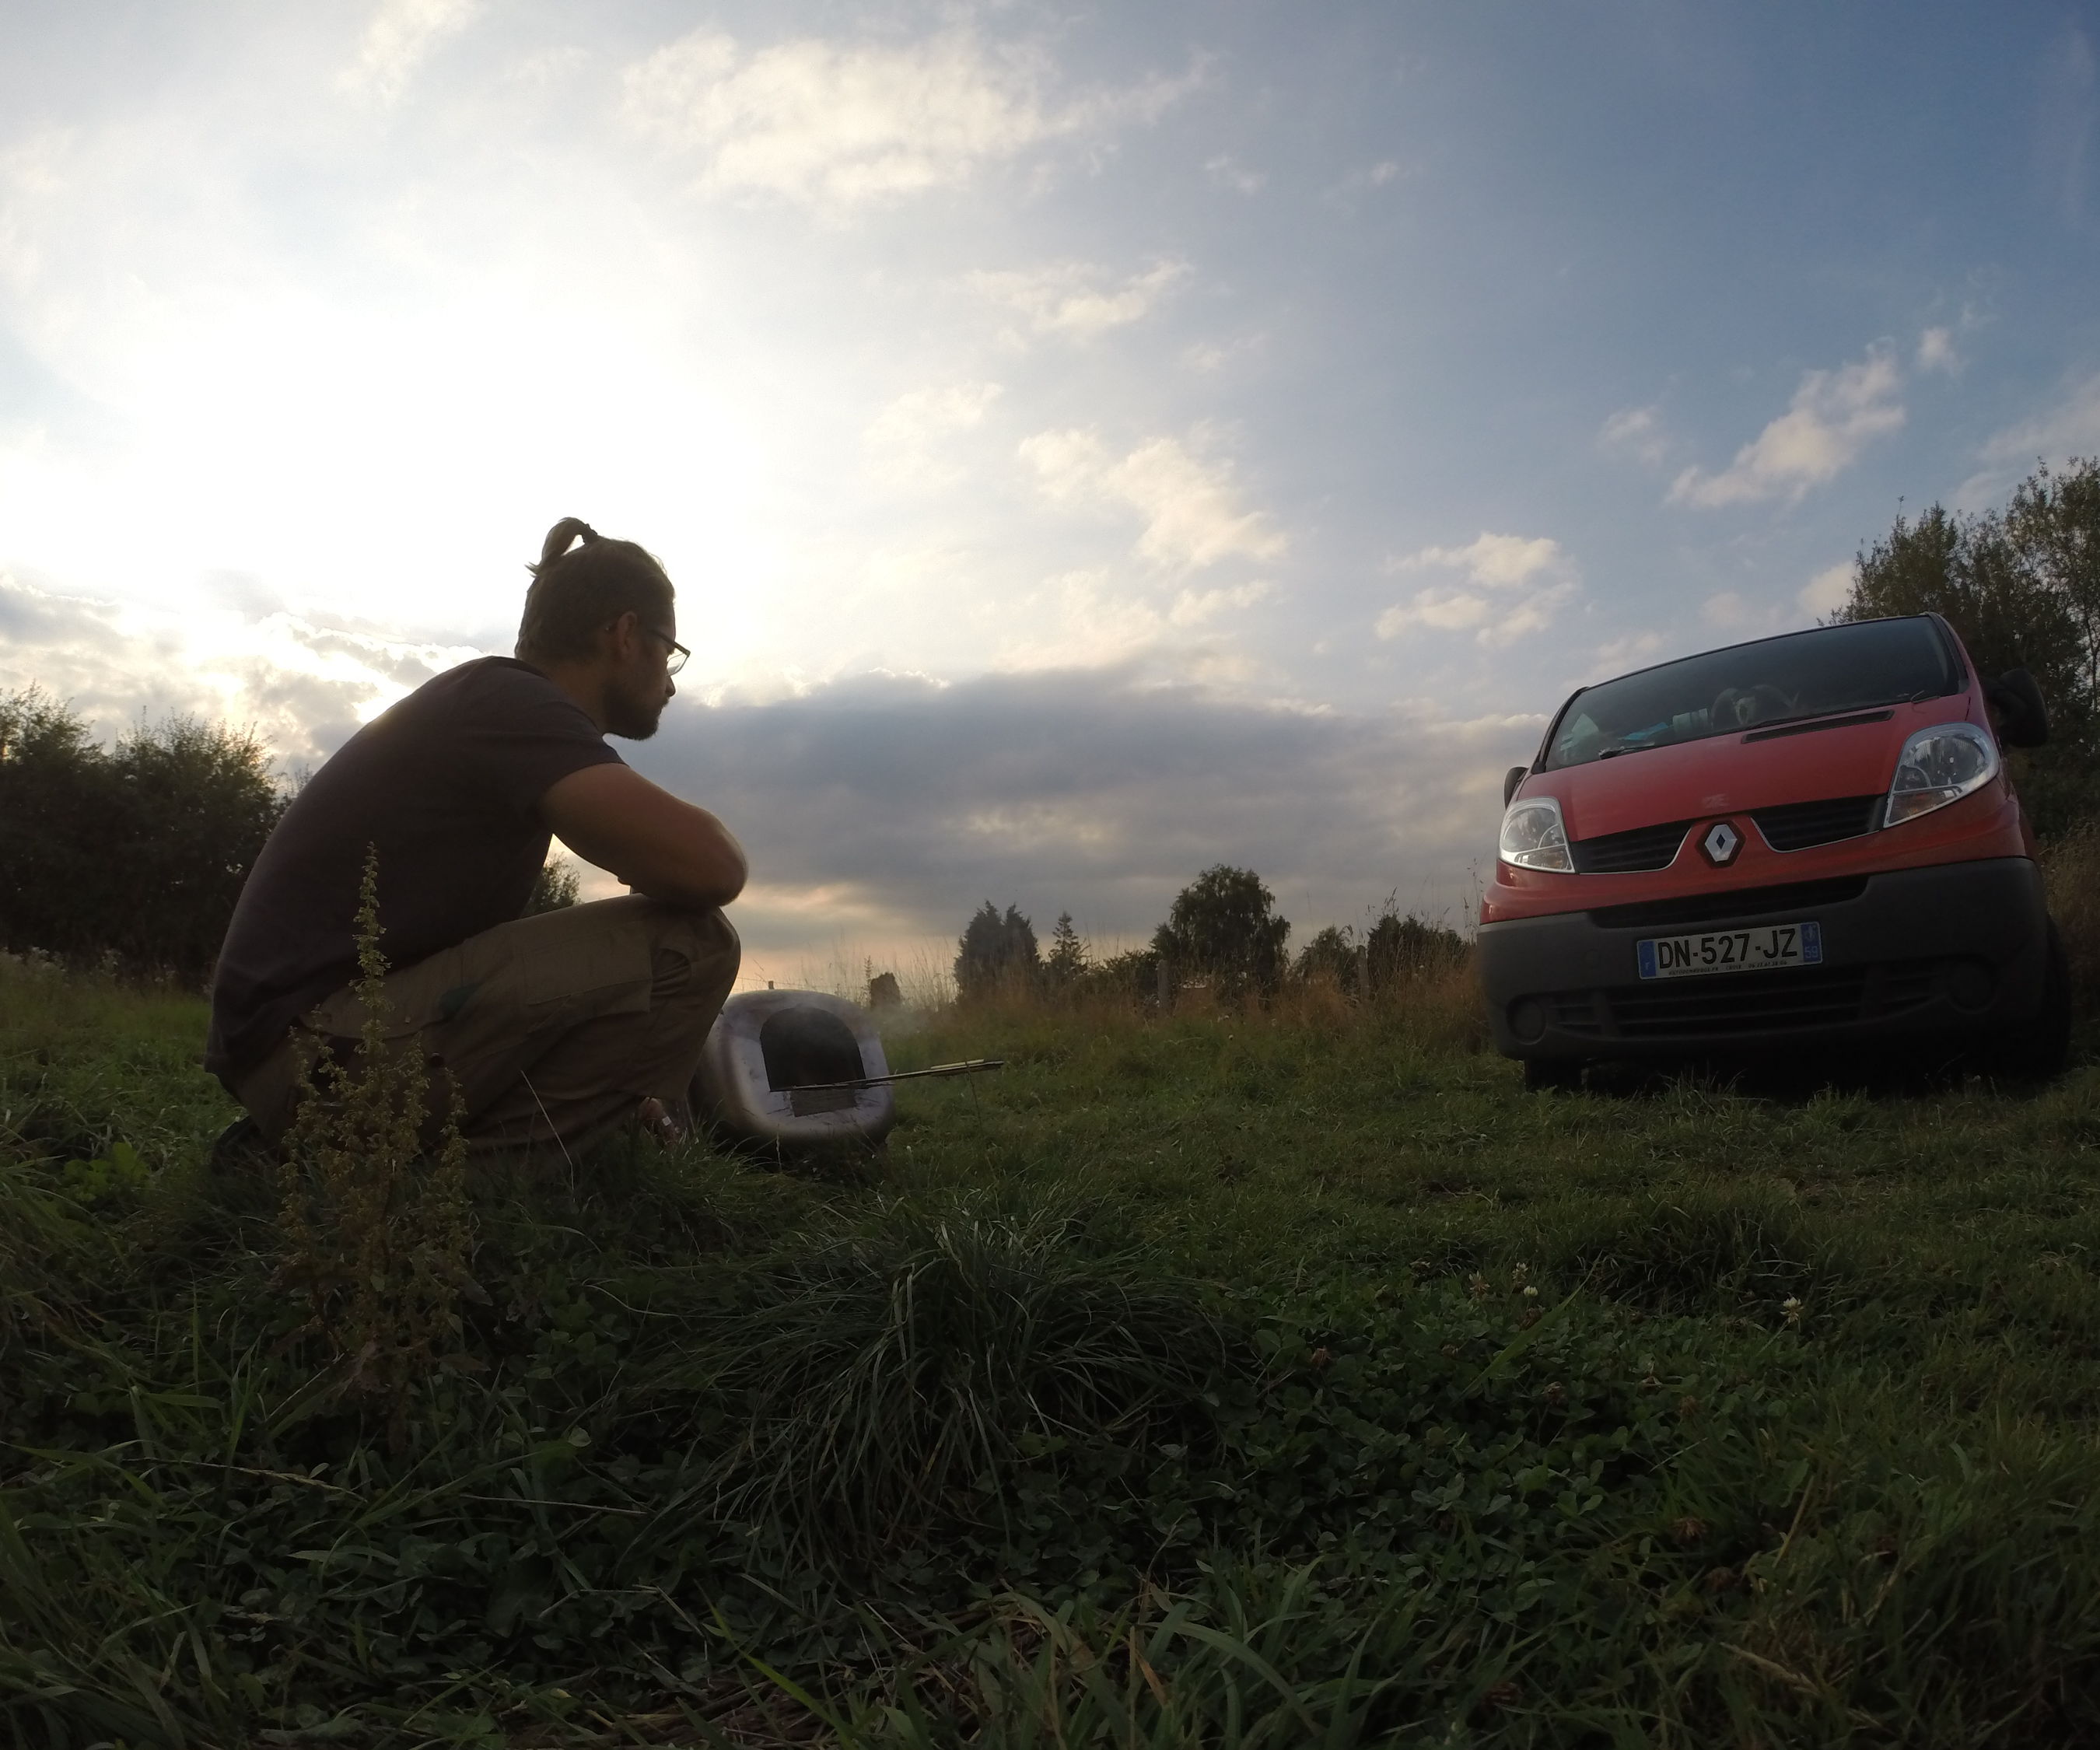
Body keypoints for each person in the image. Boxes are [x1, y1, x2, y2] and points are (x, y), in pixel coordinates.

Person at [205, 518, 746, 1156]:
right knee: (693, 943)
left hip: (303, 1049)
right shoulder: (513, 705)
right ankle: (485, 1191)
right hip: (315, 1050)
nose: (672, 680)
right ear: (625, 634)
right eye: (669, 650)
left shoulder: (496, 706)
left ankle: (312, 1154)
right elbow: (714, 867)